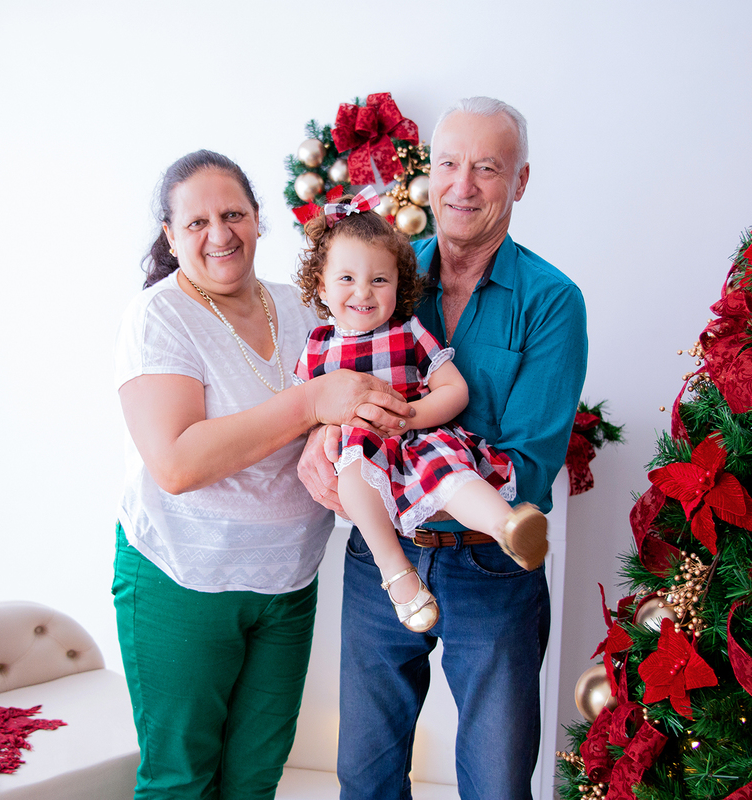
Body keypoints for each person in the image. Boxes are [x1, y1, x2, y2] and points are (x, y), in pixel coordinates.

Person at [298, 98, 588, 799]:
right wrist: (320, 433)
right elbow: (332, 374)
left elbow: (529, 459)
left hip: (489, 566)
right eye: (450, 164)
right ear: (430, 173)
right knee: (364, 775)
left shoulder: (552, 301)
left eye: (487, 168)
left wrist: (402, 442)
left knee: (495, 782)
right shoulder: (383, 275)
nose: (463, 186)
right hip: (381, 560)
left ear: (519, 183)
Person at [113, 149, 413, 800]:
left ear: (257, 220)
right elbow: (176, 463)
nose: (219, 234)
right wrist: (309, 405)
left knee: (255, 779)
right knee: (181, 782)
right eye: (196, 223)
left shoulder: (303, 308)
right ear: (169, 236)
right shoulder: (161, 316)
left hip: (286, 583)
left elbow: (346, 402)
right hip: (182, 579)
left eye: (233, 214)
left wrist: (329, 440)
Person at [291, 189, 548, 635]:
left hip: (419, 439)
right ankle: (398, 576)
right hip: (360, 450)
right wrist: (326, 428)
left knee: (453, 476)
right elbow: (300, 413)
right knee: (354, 478)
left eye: (379, 280)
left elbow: (455, 390)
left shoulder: (408, 330)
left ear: (399, 283)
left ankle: (506, 527)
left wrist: (407, 416)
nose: (363, 293)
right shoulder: (318, 347)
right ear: (321, 285)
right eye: (346, 278)